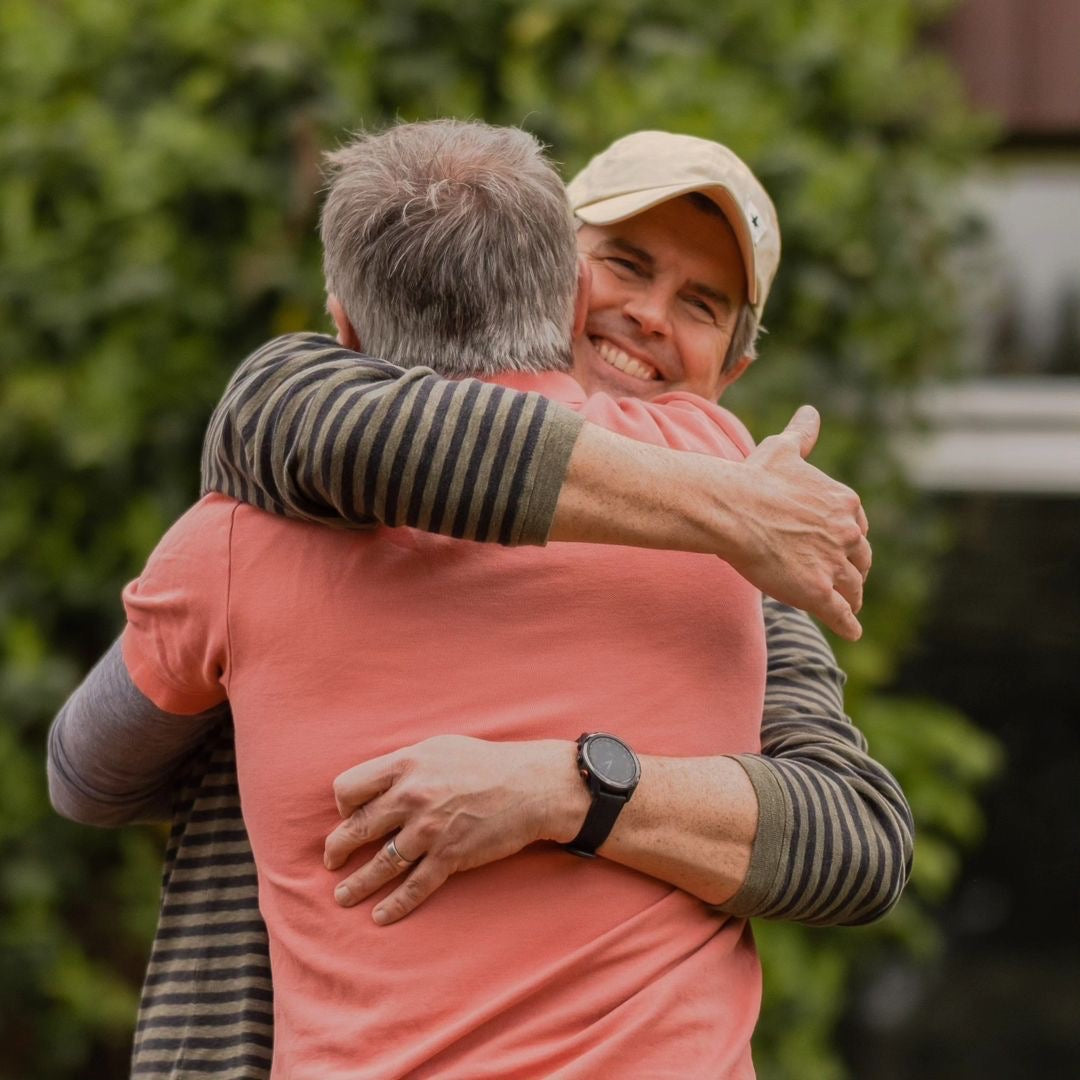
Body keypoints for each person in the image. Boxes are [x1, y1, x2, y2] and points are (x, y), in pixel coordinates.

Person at [49, 124, 911, 1079]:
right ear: (558, 275)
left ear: (732, 372)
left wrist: (562, 788)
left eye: (700, 305)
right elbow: (284, 405)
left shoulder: (748, 559)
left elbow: (858, 839)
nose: (649, 316)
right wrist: (725, 504)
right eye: (626, 264)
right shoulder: (301, 427)